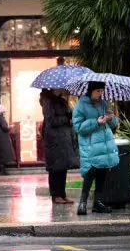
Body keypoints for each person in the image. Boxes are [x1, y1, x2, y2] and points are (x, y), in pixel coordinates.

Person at [72, 81, 119, 215]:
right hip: (90, 145)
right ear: (91, 90)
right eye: (98, 91)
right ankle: (82, 203)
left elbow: (113, 125)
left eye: (101, 91)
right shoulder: (81, 105)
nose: (100, 94)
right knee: (90, 173)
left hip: (104, 145)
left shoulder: (104, 104)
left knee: (102, 173)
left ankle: (97, 203)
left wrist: (112, 118)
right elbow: (78, 127)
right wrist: (96, 122)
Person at [40, 89, 78, 204]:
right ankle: (56, 195)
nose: (66, 89)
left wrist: (70, 113)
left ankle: (62, 194)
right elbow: (51, 120)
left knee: (62, 167)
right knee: (55, 168)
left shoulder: (61, 100)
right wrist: (67, 119)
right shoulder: (47, 101)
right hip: (54, 139)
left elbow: (66, 114)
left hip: (63, 139)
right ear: (55, 88)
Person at [0, 104, 15, 175]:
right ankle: (3, 170)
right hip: (2, 136)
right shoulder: (1, 118)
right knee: (3, 152)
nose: (4, 112)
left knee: (0, 152)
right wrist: (10, 127)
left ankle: (1, 168)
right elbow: (4, 127)